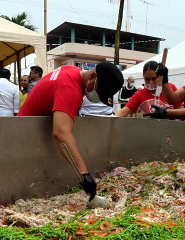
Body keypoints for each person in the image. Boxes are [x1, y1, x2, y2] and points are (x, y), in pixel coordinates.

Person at [18, 62, 124, 201]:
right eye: (99, 92)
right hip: (23, 138)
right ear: (92, 76)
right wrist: (85, 175)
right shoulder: (70, 89)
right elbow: (61, 133)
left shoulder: (71, 70)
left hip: (24, 129)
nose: (97, 97)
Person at [116, 61, 182, 117]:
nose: (150, 82)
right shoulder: (139, 95)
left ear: (160, 76)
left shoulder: (170, 88)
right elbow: (123, 111)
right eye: (147, 79)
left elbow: (180, 110)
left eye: (154, 78)